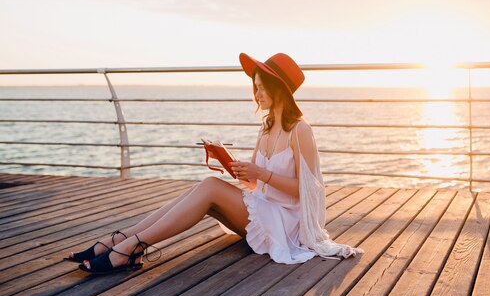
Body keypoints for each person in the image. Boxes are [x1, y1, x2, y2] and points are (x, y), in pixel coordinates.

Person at [65, 53, 363, 273]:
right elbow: (256, 185)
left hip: (288, 224)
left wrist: (261, 173)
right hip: (265, 211)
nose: (256, 94)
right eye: (255, 87)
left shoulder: (300, 130)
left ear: (279, 88)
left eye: (261, 87)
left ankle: (129, 247)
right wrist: (235, 168)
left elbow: (307, 192)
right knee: (203, 187)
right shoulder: (267, 127)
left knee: (208, 188)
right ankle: (122, 239)